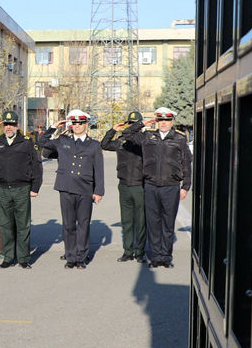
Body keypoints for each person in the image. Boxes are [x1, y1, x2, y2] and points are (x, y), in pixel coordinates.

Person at [121, 107, 193, 268]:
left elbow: (186, 163)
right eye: (160, 120)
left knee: (168, 224)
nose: (163, 123)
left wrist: (186, 186)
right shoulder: (148, 137)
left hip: (171, 186)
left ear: (172, 121)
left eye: (167, 120)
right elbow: (126, 134)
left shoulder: (179, 139)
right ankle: (155, 257)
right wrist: (141, 123)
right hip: (151, 186)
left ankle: (165, 257)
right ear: (156, 121)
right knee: (153, 223)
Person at [0, 110, 43, 269]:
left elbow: (36, 165)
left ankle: (23, 258)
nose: (9, 127)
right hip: (2, 189)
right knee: (5, 225)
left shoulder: (26, 142)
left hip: (22, 188)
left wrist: (35, 186)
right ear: (2, 126)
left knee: (23, 225)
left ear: (17, 125)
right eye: (6, 124)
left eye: (12, 124)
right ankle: (8, 257)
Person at [38, 109, 105, 269]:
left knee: (83, 224)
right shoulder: (62, 140)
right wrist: (54, 127)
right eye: (74, 123)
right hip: (66, 187)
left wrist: (99, 191)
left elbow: (99, 169)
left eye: (80, 123)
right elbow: (41, 142)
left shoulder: (94, 145)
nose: (77, 126)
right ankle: (70, 256)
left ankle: (81, 257)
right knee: (68, 224)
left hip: (85, 188)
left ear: (86, 124)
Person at [101, 111, 147, 263]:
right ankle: (128, 251)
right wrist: (113, 130)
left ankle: (139, 251)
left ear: (140, 125)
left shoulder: (145, 141)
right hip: (124, 185)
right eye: (130, 123)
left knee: (140, 222)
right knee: (126, 221)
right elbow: (105, 144)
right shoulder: (121, 141)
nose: (132, 126)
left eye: (135, 123)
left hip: (140, 185)